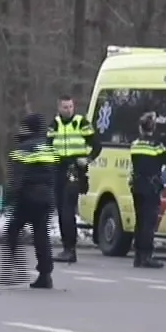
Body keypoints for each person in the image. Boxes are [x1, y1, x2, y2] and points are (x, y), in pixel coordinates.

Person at [1, 111, 57, 288]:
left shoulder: (22, 149)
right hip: (46, 197)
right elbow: (53, 173)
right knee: (41, 236)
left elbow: (17, 177)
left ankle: (12, 271)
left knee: (12, 232)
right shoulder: (48, 147)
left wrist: (9, 198)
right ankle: (45, 275)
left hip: (27, 198)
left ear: (27, 128)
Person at [49, 94, 97, 262]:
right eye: (65, 107)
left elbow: (96, 144)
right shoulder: (54, 124)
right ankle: (66, 247)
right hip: (57, 169)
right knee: (61, 210)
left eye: (70, 106)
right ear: (59, 108)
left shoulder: (81, 123)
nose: (68, 110)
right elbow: (47, 147)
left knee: (68, 209)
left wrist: (87, 159)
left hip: (74, 170)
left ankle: (70, 248)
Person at [129, 112, 166, 270]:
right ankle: (146, 255)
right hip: (151, 187)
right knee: (148, 222)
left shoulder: (135, 144)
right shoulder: (156, 145)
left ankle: (138, 256)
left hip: (137, 186)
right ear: (153, 128)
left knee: (139, 221)